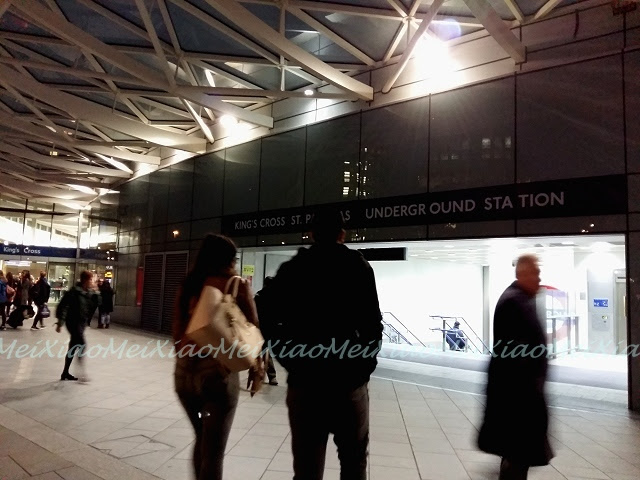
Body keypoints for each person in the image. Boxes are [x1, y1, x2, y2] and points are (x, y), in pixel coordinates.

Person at [259, 210, 383, 480]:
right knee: (354, 464)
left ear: (311, 234)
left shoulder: (293, 268)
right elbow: (373, 324)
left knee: (306, 468)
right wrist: (365, 366)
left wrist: (286, 355)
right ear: (342, 234)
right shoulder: (358, 267)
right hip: (349, 382)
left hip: (305, 383)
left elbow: (264, 310)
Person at [173, 234, 263, 480]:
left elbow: (177, 334)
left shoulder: (188, 284)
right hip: (216, 377)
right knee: (213, 451)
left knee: (201, 437)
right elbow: (253, 327)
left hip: (184, 377)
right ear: (229, 260)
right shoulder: (236, 284)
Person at [478, 254, 553, 480]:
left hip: (518, 399)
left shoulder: (519, 299)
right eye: (535, 273)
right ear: (522, 274)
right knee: (517, 458)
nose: (539, 279)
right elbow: (516, 356)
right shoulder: (515, 302)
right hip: (519, 401)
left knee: (516, 457)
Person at [55, 271, 100, 381]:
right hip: (73, 322)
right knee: (82, 344)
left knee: (73, 346)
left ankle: (65, 373)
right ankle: (81, 373)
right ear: (85, 280)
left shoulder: (88, 292)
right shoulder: (74, 291)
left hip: (81, 323)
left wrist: (97, 292)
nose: (92, 282)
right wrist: (60, 322)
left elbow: (97, 304)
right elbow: (63, 306)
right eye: (91, 280)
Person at [253, 277, 278, 386]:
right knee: (263, 351)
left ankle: (263, 375)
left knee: (261, 351)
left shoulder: (259, 296)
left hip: (260, 328)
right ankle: (269, 376)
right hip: (271, 328)